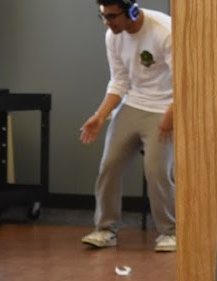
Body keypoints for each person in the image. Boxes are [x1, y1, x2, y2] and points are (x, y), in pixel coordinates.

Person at [79, 0, 176, 253]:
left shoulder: (164, 31)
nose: (108, 23)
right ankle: (105, 230)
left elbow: (185, 80)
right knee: (109, 166)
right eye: (103, 17)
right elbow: (119, 81)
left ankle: (170, 232)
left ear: (131, 11)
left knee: (156, 171)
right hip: (133, 104)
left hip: (166, 108)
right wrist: (100, 116)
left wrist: (170, 116)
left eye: (112, 16)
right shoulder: (113, 36)